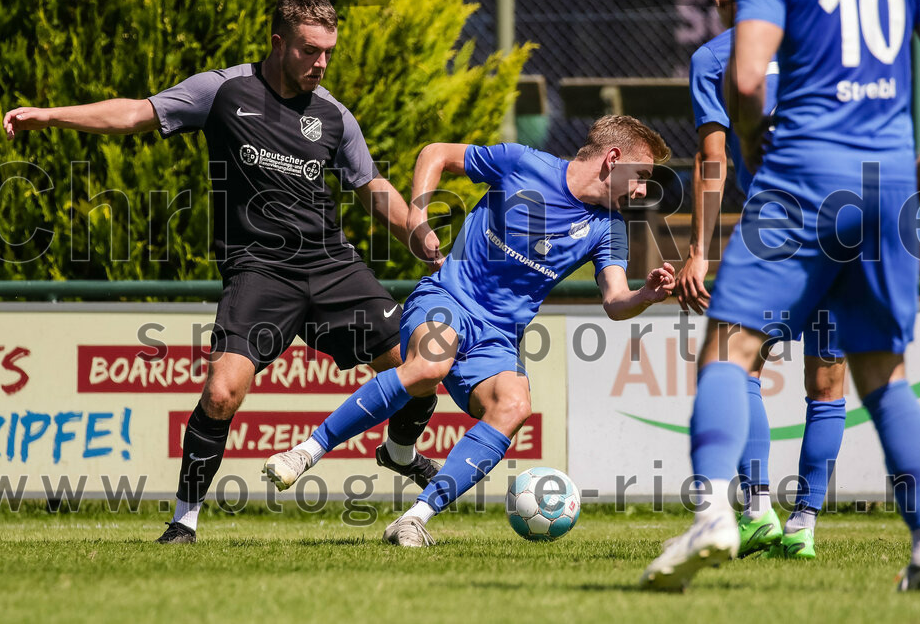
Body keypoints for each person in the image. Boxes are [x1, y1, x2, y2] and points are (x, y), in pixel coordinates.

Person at [642, 0, 920, 592]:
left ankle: (716, 511)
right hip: (888, 180)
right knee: (882, 373)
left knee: (728, 348)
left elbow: (749, 77)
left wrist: (763, 147)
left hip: (800, 176)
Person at [3, 0, 446, 544]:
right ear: (278, 43)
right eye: (311, 50)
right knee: (221, 392)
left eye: (329, 51)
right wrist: (51, 116)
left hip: (333, 267)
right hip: (260, 270)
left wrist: (418, 232)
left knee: (423, 365)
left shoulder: (334, 116)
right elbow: (137, 114)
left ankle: (400, 453)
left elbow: (370, 187)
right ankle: (184, 521)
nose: (322, 62)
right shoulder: (223, 90)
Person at [262, 116, 677, 546]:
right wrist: (418, 218)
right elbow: (436, 153)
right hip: (447, 297)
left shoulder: (607, 227)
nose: (643, 190)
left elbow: (614, 301)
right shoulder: (523, 163)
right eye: (642, 176)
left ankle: (414, 518)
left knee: (514, 406)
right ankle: (305, 451)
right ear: (613, 159)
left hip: (497, 336)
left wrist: (643, 295)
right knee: (428, 366)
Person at [679, 0, 847, 559]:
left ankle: (755, 510)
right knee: (827, 383)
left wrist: (699, 249)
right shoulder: (822, 42)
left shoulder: (715, 57)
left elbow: (713, 159)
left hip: (778, 218)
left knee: (736, 358)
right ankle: (804, 524)